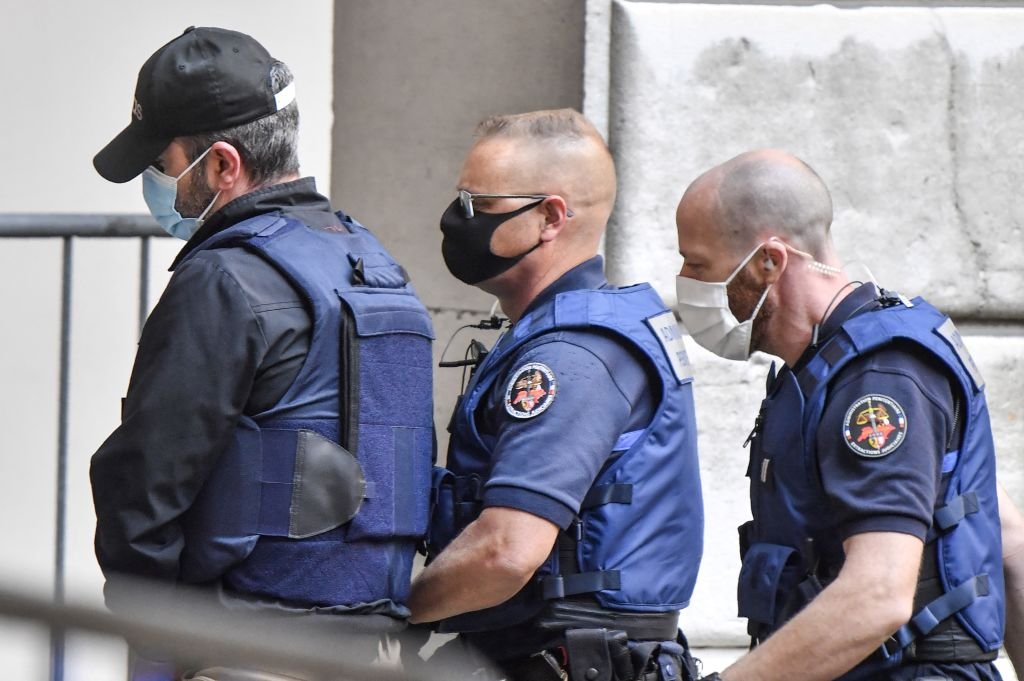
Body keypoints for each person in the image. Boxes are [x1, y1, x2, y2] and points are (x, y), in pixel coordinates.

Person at [89, 27, 434, 680]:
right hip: (382, 648)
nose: (154, 182)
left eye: (160, 163)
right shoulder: (373, 266)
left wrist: (155, 648)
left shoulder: (224, 280)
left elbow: (145, 491)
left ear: (222, 164)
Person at [673, 149, 1007, 680]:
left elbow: (878, 595)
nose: (685, 281)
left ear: (769, 261)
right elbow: (998, 527)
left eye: (697, 263)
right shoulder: (824, 368)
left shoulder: (879, 377)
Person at [408, 108, 704, 681]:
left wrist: (394, 611)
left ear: (549, 217)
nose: (454, 220)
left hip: (566, 661)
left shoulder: (571, 358)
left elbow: (506, 552)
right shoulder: (553, 334)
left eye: (477, 205)